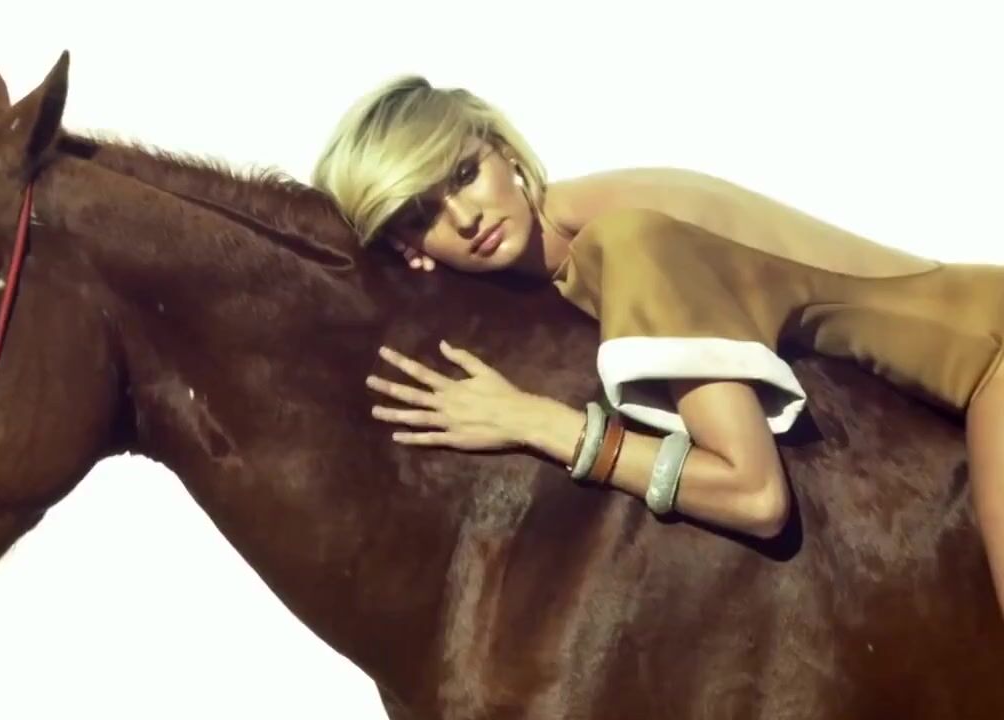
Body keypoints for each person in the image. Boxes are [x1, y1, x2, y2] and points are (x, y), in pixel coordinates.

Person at [309, 74, 1004, 615]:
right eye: (421, 216)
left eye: (465, 174)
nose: (465, 218)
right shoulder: (573, 248)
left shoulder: (627, 241)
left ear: (503, 151)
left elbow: (755, 494)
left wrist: (533, 421)